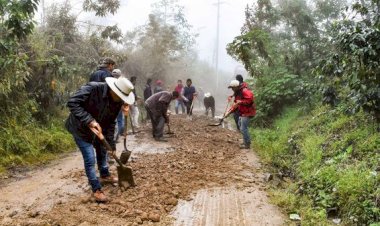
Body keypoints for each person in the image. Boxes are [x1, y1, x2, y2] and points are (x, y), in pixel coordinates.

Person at [65, 77, 135, 202]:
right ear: (113, 90)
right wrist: (89, 120)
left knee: (103, 151)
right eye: (120, 96)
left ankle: (105, 175)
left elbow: (111, 123)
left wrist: (111, 146)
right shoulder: (93, 88)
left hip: (99, 130)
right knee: (90, 158)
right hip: (81, 129)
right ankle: (96, 189)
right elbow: (72, 102)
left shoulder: (118, 102)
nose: (121, 99)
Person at [227, 80, 256, 149]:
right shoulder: (238, 93)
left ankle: (247, 144)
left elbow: (250, 100)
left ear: (236, 87)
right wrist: (229, 112)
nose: (232, 89)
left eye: (232, 88)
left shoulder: (244, 91)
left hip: (247, 112)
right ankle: (245, 142)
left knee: (243, 128)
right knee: (240, 126)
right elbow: (236, 104)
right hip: (242, 112)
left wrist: (241, 102)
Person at [112, 69, 125, 140]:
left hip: (111, 106)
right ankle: (116, 137)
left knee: (114, 121)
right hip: (118, 105)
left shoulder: (108, 82)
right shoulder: (120, 83)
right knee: (119, 120)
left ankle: (116, 137)